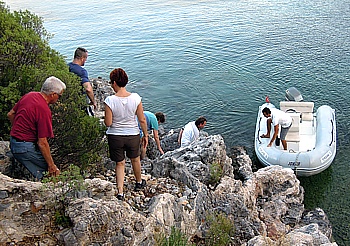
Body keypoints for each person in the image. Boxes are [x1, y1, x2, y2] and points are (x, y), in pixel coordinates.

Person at [7, 76, 66, 180]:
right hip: (24, 148)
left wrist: (20, 129)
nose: (59, 99)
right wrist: (51, 166)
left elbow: (11, 114)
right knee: (51, 175)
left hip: (14, 142)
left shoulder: (29, 95)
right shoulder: (43, 109)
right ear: (53, 95)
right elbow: (42, 143)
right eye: (59, 96)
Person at [104, 68, 148, 201]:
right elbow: (142, 119)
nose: (111, 85)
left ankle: (120, 192)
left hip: (115, 136)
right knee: (135, 159)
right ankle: (139, 182)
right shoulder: (136, 98)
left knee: (120, 163)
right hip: (133, 135)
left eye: (111, 82)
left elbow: (108, 123)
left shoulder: (110, 100)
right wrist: (145, 134)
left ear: (115, 82)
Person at [68, 47, 97, 116]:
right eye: (85, 58)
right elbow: (88, 89)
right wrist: (93, 102)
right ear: (82, 58)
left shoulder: (66, 67)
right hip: (80, 103)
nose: (85, 61)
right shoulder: (82, 71)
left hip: (68, 102)